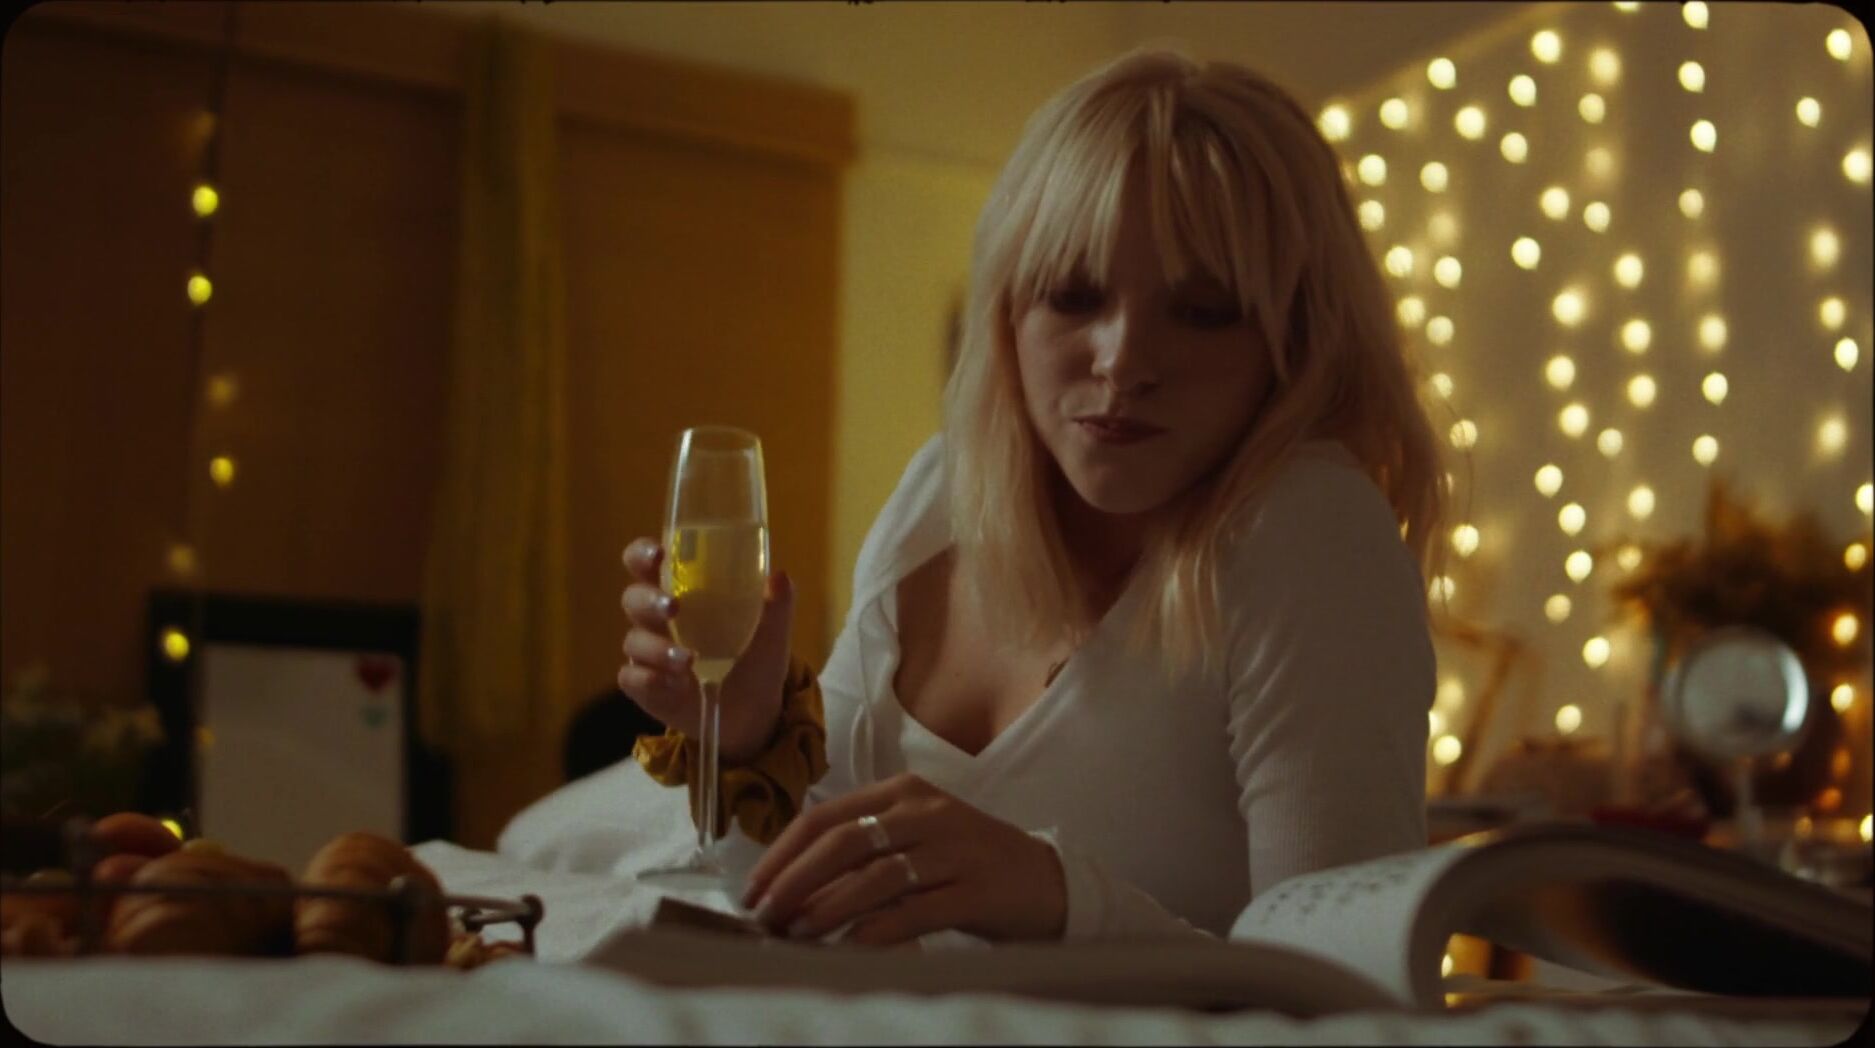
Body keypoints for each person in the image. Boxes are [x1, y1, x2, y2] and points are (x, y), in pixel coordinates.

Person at [616, 47, 1445, 947]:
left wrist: (1060, 899)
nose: (1122, 361)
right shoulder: (943, 492)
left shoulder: (1312, 533)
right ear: (1006, 311)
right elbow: (805, 897)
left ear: (1297, 339)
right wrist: (745, 739)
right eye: (1073, 296)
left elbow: (1348, 984)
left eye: (1202, 310)